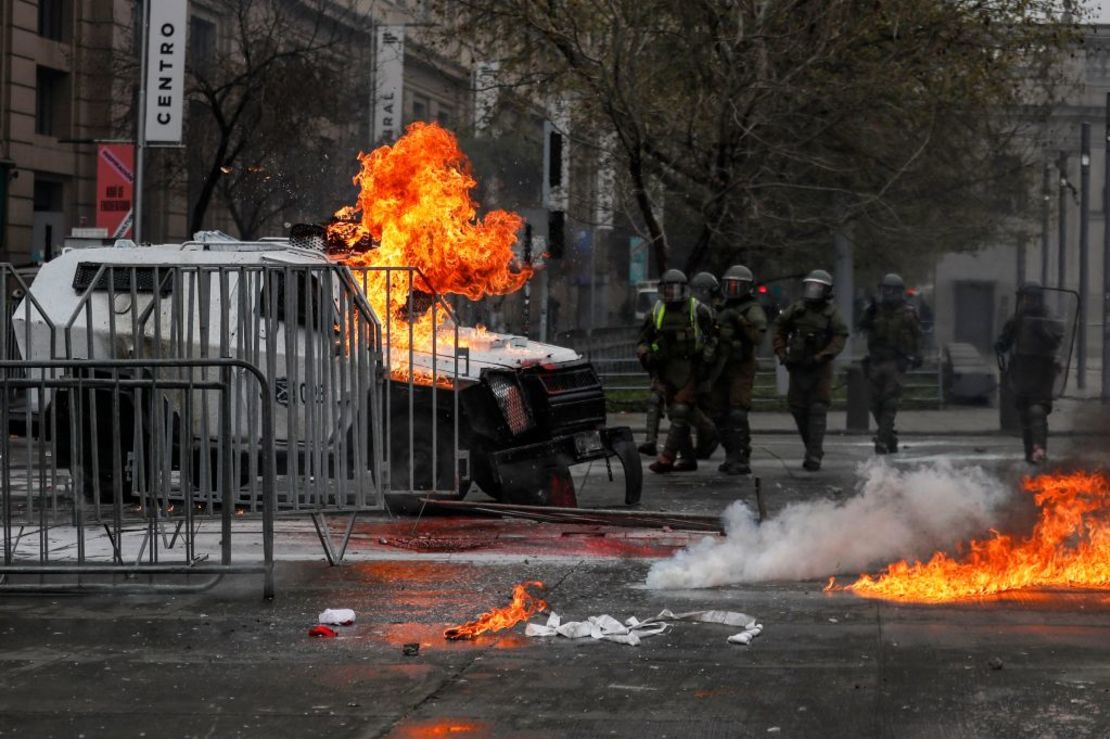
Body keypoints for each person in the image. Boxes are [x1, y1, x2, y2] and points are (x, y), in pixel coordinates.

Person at [637, 269, 717, 473]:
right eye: (667, 290)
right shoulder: (656, 311)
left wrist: (705, 363)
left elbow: (712, 339)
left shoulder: (698, 310)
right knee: (676, 413)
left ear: (685, 290)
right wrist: (646, 354)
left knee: (681, 410)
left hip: (692, 369)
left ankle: (667, 458)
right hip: (665, 370)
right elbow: (643, 340)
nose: (671, 294)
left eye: (675, 289)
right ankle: (693, 453)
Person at [772, 269, 849, 471]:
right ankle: (812, 448)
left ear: (826, 291)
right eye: (810, 286)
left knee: (817, 409)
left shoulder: (831, 313)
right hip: (797, 366)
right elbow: (779, 328)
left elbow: (840, 336)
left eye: (818, 287)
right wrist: (782, 353)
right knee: (798, 409)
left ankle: (814, 454)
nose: (813, 291)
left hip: (819, 368)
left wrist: (822, 356)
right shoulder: (797, 309)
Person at [994, 282, 1064, 464]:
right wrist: (1001, 344)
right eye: (1026, 298)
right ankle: (1029, 456)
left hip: (1042, 369)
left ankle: (1039, 450)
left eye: (1031, 298)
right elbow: (1006, 339)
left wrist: (1041, 330)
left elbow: (1056, 339)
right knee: (1024, 413)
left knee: (1037, 411)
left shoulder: (1047, 318)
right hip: (1022, 369)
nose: (1028, 302)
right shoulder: (1018, 318)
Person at [710, 265, 767, 475]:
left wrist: (739, 320)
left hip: (741, 367)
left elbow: (758, 336)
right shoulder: (723, 307)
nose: (732, 289)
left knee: (737, 413)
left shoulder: (751, 309)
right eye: (729, 284)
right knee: (718, 412)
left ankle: (741, 456)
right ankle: (730, 453)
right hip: (720, 366)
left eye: (737, 285)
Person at [857, 273, 922, 454]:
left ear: (900, 292)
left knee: (889, 402)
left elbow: (917, 337)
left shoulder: (908, 312)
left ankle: (883, 440)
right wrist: (868, 313)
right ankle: (888, 437)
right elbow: (861, 327)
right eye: (885, 289)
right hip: (876, 361)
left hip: (896, 362)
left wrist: (916, 356)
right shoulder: (875, 310)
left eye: (892, 290)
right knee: (874, 403)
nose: (888, 293)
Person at [688, 271, 722, 459]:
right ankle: (702, 446)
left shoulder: (710, 310)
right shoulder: (698, 309)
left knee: (704, 405)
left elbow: (713, 339)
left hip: (708, 365)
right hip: (697, 362)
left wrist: (706, 360)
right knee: (699, 404)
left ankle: (706, 443)